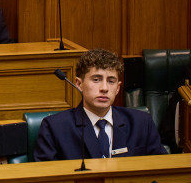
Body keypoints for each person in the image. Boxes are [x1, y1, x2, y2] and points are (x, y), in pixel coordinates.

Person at [34, 48, 166, 161]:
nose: (104, 88)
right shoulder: (55, 127)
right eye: (96, 80)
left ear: (118, 88)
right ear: (79, 84)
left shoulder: (141, 122)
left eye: (111, 81)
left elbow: (161, 169)